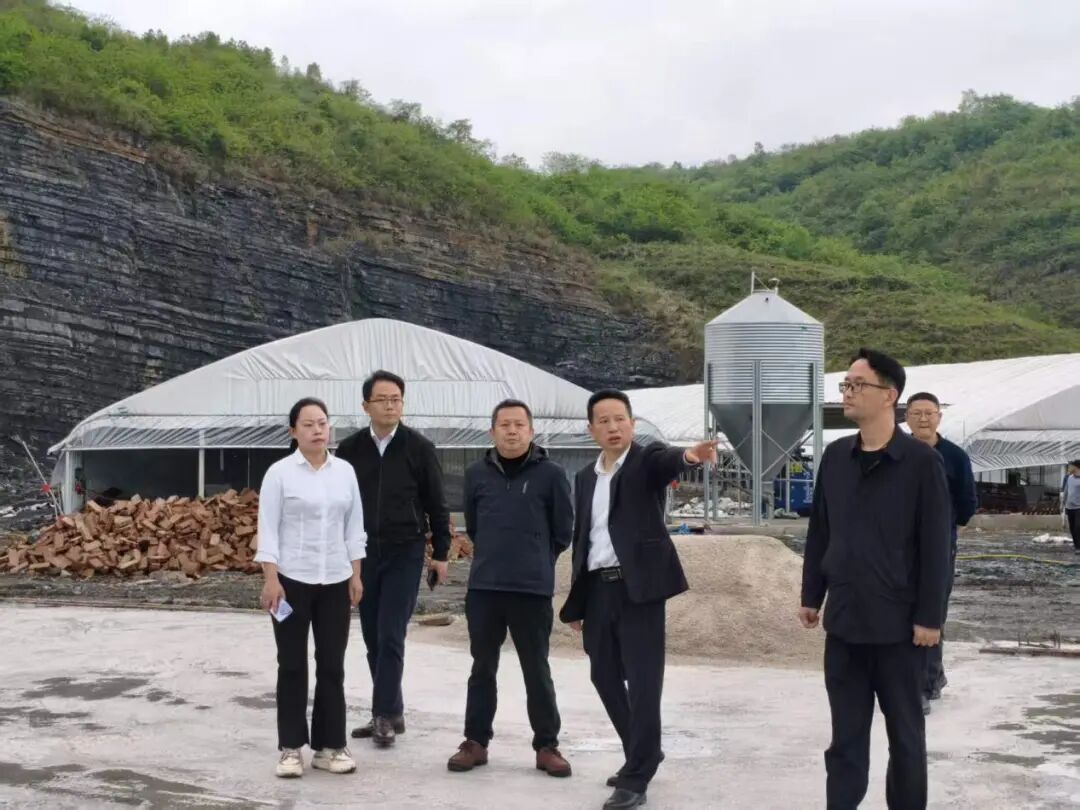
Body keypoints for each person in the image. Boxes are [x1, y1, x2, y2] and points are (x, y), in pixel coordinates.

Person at [800, 349, 951, 810]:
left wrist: (930, 618)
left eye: (856, 385)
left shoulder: (920, 462)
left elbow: (936, 545)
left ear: (889, 395)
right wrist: (812, 595)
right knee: (845, 738)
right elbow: (820, 530)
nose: (847, 393)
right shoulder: (835, 457)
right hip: (845, 624)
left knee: (905, 736)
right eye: (845, 385)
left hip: (900, 629)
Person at [559, 389, 718, 810]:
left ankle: (636, 775)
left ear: (632, 424)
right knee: (603, 675)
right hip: (597, 589)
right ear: (591, 429)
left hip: (639, 590)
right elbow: (583, 540)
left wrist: (690, 456)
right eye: (604, 421)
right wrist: (578, 601)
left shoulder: (646, 461)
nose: (614, 427)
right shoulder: (585, 477)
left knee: (644, 682)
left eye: (621, 419)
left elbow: (669, 461)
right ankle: (642, 751)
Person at [447, 399, 575, 777]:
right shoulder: (476, 474)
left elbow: (563, 531)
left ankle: (547, 745)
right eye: (505, 425)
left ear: (531, 431)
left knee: (536, 669)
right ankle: (475, 742)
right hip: (485, 587)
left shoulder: (551, 475)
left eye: (519, 424)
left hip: (531, 589)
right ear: (492, 431)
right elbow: (474, 526)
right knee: (482, 667)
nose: (512, 431)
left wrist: (535, 558)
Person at [336, 370, 452, 747]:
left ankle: (383, 714)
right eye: (382, 399)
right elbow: (340, 504)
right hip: (363, 553)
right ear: (365, 405)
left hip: (406, 549)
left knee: (391, 633)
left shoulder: (419, 448)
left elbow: (437, 504)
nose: (390, 405)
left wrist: (441, 554)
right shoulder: (349, 450)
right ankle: (391, 711)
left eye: (396, 399)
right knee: (373, 635)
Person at [255, 397, 366, 778]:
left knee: (332, 664)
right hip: (290, 582)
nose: (317, 430)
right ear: (293, 431)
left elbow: (354, 528)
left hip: (335, 580)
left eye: (322, 423)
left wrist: (355, 574)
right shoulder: (280, 474)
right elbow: (268, 529)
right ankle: (290, 748)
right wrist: (271, 579)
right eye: (308, 424)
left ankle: (330, 746)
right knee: (291, 664)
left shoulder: (345, 472)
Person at [905, 391, 978, 712]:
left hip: (939, 548)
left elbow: (967, 502)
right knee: (902, 613)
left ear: (939, 417)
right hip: (897, 549)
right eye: (916, 413)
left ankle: (926, 684)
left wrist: (945, 532)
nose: (923, 419)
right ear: (906, 418)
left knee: (932, 612)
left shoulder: (955, 456)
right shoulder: (895, 452)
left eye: (929, 413)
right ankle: (925, 676)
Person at [1061, 460, 1080, 553]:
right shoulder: (1069, 478)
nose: (1069, 468)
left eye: (1070, 466)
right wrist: (1063, 503)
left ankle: (1079, 547)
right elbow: (1066, 491)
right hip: (1069, 507)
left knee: (1077, 527)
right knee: (1072, 528)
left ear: (1076, 467)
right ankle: (1077, 546)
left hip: (1079, 507)